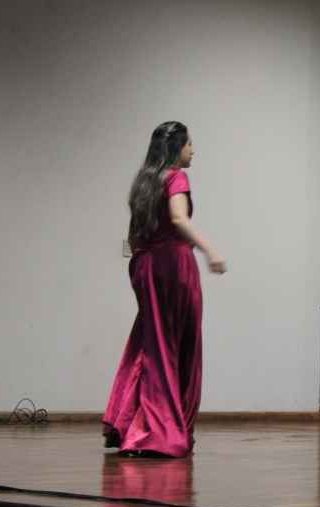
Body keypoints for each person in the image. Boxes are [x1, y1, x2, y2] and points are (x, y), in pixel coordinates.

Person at [103, 121, 226, 458]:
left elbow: (134, 234)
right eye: (190, 144)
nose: (193, 150)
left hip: (146, 266)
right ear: (176, 147)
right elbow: (179, 218)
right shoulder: (176, 178)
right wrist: (210, 249)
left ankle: (135, 426)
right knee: (178, 347)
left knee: (152, 344)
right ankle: (159, 433)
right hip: (174, 266)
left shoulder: (144, 182)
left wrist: (144, 264)